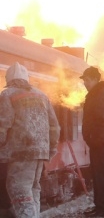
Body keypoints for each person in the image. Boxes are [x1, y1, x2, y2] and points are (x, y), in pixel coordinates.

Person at [0, 62, 60, 218]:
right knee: (33, 189)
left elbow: (3, 123)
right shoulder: (41, 95)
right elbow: (54, 125)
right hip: (40, 152)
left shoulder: (7, 95)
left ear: (8, 79)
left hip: (20, 152)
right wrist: (51, 148)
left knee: (19, 189)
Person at [80, 66, 104, 217]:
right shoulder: (97, 94)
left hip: (100, 143)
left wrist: (94, 139)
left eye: (87, 80)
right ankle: (99, 206)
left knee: (102, 176)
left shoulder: (100, 95)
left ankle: (103, 210)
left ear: (95, 79)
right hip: (98, 142)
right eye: (84, 81)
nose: (85, 83)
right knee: (98, 175)